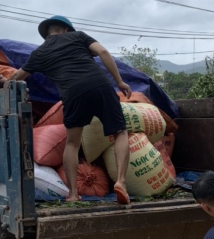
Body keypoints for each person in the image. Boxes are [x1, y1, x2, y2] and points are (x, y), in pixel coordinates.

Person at [8, 15, 132, 204]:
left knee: (72, 144)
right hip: (100, 86)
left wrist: (2, 82)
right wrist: (119, 81)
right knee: (120, 132)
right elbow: (103, 52)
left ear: (48, 33)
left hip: (73, 94)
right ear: (66, 29)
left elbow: (18, 76)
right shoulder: (79, 37)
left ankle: (73, 193)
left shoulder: (39, 53)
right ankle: (121, 182)